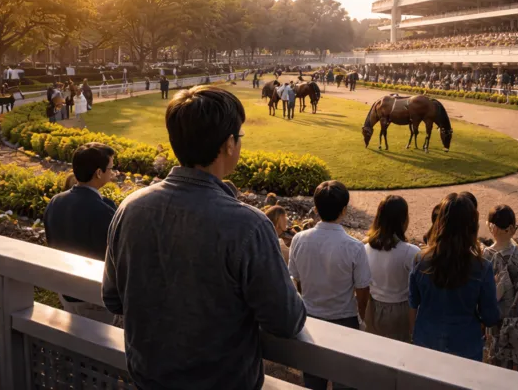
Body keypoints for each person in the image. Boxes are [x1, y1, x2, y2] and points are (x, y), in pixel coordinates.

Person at [102, 86, 305, 389]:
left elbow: (112, 298)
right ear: (229, 144)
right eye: (239, 136)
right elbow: (286, 321)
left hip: (147, 379)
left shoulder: (130, 208)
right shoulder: (249, 225)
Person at [289, 180, 371, 390]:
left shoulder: (299, 239)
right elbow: (362, 293)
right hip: (344, 320)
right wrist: (362, 320)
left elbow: (297, 281)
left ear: (316, 209)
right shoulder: (354, 248)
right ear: (344, 210)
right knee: (345, 382)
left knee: (313, 381)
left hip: (311, 319)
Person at [409, 192, 500, 360]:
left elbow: (413, 302)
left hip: (426, 340)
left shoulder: (420, 260)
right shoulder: (482, 268)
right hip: (465, 345)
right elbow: (490, 317)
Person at [44, 143, 119, 324]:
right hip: (94, 296)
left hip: (65, 289)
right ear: (99, 173)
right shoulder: (105, 209)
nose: (113, 172)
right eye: (111, 168)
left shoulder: (56, 201)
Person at [363, 195, 420, 342]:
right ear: (403, 220)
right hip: (400, 311)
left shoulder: (366, 248)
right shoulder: (410, 252)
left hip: (372, 307)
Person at [483, 205, 518, 371]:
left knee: (496, 368)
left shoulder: (486, 255)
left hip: (495, 321)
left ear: (492, 227)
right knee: (517, 366)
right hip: (517, 320)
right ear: (512, 228)